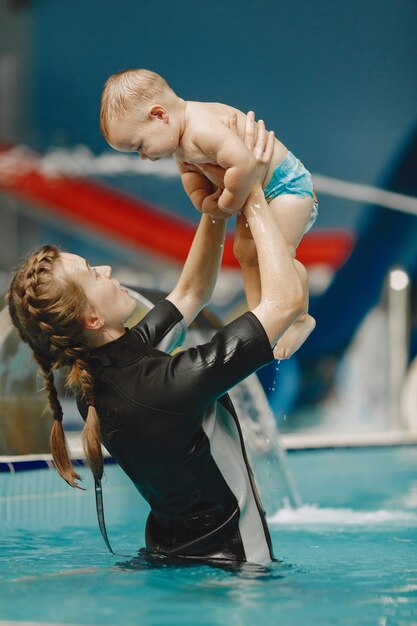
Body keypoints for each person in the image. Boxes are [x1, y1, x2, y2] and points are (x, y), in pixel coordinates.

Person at [6, 114, 306, 566]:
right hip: (232, 573)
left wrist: (216, 206)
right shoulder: (163, 387)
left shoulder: (102, 375)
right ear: (90, 317)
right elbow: (283, 303)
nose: (106, 270)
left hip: (170, 560)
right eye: (93, 273)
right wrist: (255, 194)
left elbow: (189, 293)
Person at [99, 68, 318, 360]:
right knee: (245, 252)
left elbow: (243, 164)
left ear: (159, 114)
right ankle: (264, 319)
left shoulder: (201, 129)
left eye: (139, 145)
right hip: (263, 192)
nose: (142, 156)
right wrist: (204, 201)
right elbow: (192, 178)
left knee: (276, 255)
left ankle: (300, 317)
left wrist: (226, 203)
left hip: (287, 187)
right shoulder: (179, 144)